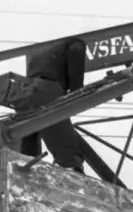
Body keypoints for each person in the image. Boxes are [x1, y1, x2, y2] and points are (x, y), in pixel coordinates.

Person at [12, 37, 91, 173]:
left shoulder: (42, 54)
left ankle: (25, 166)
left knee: (27, 131)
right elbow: (76, 52)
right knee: (58, 125)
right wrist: (76, 90)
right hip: (48, 87)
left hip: (27, 90)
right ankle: (73, 166)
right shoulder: (76, 43)